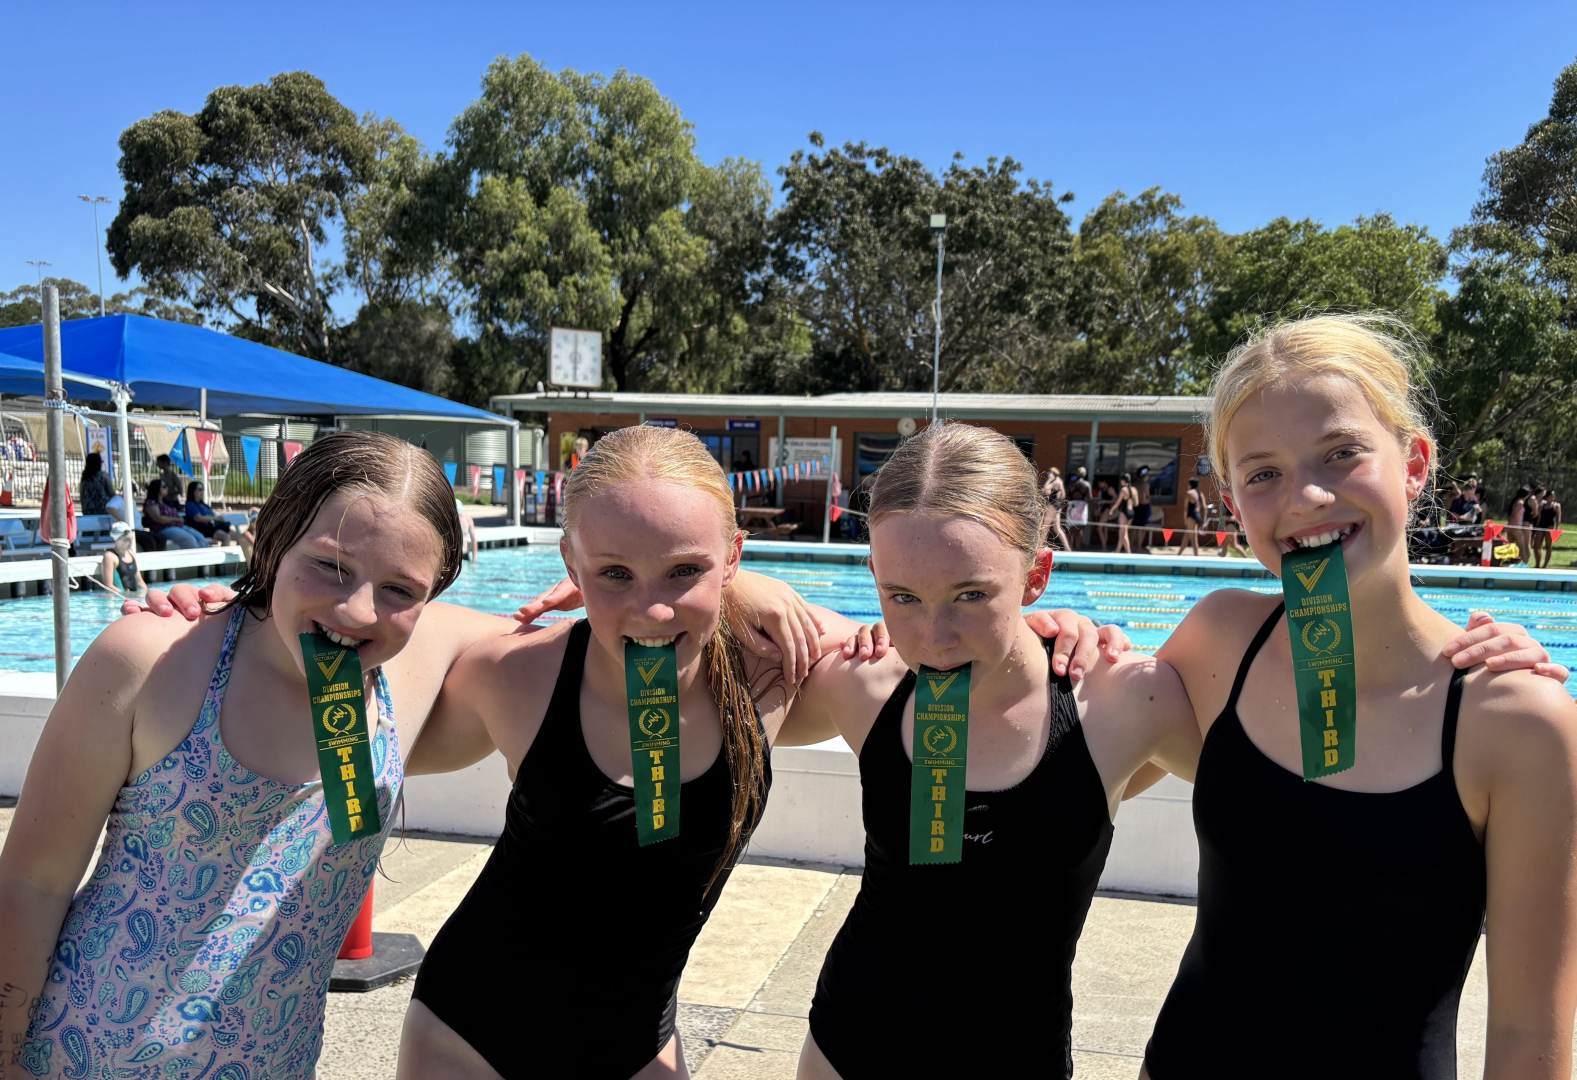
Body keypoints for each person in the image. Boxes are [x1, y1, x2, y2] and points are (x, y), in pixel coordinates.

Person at [791, 422, 1565, 1080]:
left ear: (1035, 576)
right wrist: (754, 587)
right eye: (901, 596)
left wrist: (1459, 670)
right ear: (873, 578)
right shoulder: (859, 683)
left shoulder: (1124, 702)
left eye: (971, 594)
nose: (933, 635)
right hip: (843, 1050)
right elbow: (729, 671)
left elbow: (1306, 788)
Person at [396, 425, 1123, 1079]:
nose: (652, 609)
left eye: (685, 569)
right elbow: (411, 637)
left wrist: (1039, 621)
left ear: (731, 559)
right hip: (469, 1037)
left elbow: (935, 637)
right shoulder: (522, 672)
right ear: (571, 562)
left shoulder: (771, 670)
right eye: (614, 572)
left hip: (635, 1047)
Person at [1137, 315, 1577, 1078]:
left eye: (1341, 453)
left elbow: (1526, 1040)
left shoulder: (1514, 723)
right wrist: (1045, 640)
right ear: (1234, 504)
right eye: (1262, 474)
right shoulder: (1219, 641)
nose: (1306, 496)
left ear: (1413, 465)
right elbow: (1067, 774)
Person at [141, 477, 205, 548]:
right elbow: (158, 518)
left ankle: (204, 553)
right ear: (157, 488)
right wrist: (176, 519)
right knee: (189, 539)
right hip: (164, 529)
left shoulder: (166, 502)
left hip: (178, 526)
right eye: (164, 486)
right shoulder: (151, 503)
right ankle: (196, 554)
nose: (167, 488)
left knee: (200, 537)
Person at [93, 520, 146, 597]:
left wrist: (147, 594)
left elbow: (139, 581)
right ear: (116, 539)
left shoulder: (131, 554)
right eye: (126, 540)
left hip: (132, 597)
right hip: (119, 598)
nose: (130, 543)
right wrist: (128, 596)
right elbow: (109, 586)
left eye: (131, 539)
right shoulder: (110, 557)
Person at [78, 452, 115, 516]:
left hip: (89, 510)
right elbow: (111, 493)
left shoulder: (85, 477)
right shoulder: (104, 476)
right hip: (104, 509)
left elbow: (82, 493)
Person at [1042, 465, 1070, 549]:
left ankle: (1040, 546)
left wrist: (1049, 480)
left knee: (1045, 526)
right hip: (1058, 505)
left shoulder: (1054, 482)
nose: (1048, 475)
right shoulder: (1060, 482)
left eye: (1050, 473)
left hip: (1053, 505)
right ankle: (1067, 548)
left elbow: (1045, 489)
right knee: (1057, 529)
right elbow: (1063, 496)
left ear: (1053, 474)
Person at [1066, 466, 1091, 549]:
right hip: (1082, 505)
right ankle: (1078, 547)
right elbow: (1090, 498)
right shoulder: (1086, 485)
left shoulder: (1071, 484)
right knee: (1080, 528)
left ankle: (1069, 547)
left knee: (1071, 527)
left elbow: (1067, 496)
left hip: (1072, 505)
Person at [1506, 485, 1530, 566]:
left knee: (1510, 546)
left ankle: (1509, 562)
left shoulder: (1516, 501)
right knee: (1522, 547)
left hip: (1512, 526)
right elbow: (1513, 514)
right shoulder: (1520, 502)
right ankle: (1525, 563)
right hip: (1516, 527)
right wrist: (1510, 524)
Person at [1182, 477, 1205, 555]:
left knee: (1194, 540)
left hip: (1191, 517)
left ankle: (1196, 557)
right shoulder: (1200, 494)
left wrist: (1185, 520)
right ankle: (1178, 555)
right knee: (1185, 538)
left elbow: (1185, 508)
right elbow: (1204, 508)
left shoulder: (1189, 493)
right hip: (1197, 516)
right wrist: (1203, 521)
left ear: (1190, 484)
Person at [1114, 471, 1136, 554]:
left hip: (1124, 511)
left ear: (1123, 481)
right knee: (1122, 533)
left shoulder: (1124, 490)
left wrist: (1112, 510)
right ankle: (1117, 551)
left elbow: (1118, 502)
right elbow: (1136, 503)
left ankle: (1128, 553)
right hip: (1131, 512)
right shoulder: (1134, 490)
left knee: (1124, 534)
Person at [1134, 464, 1153, 549]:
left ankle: (1132, 545)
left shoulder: (1136, 484)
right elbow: (1145, 497)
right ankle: (1139, 546)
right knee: (1141, 528)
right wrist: (1149, 502)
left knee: (1135, 527)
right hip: (1143, 506)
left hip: (1137, 506)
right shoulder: (1145, 485)